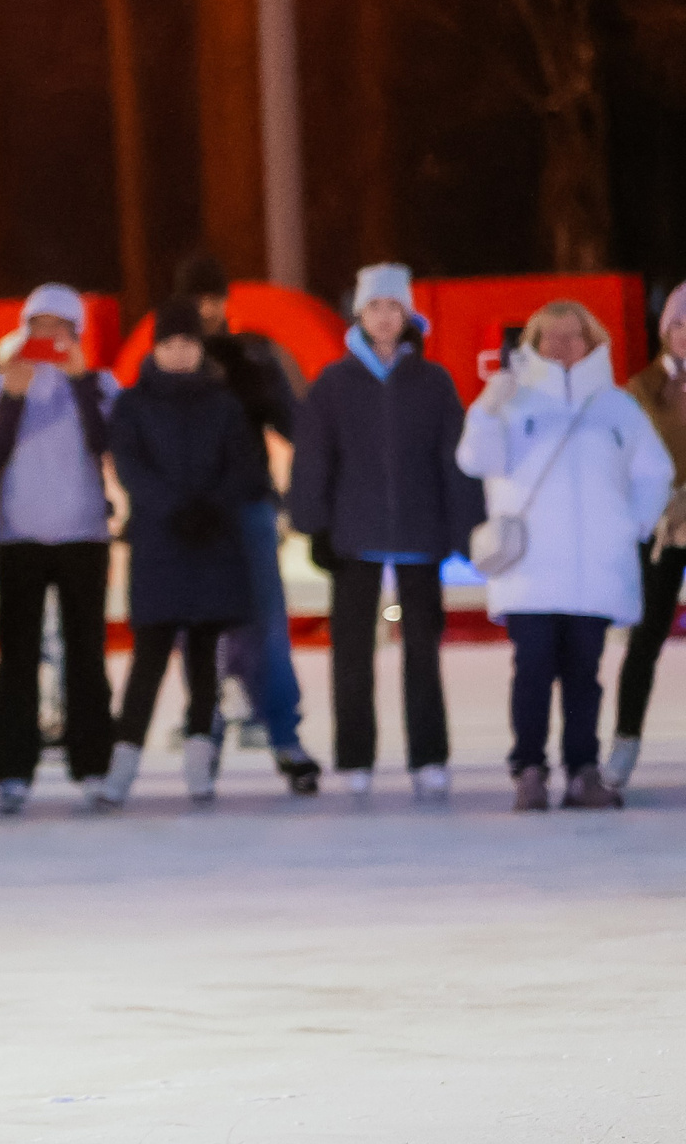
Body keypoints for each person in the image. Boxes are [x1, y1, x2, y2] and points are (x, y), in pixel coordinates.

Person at [458, 300, 674, 810]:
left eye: (571, 335)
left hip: (594, 569)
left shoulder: (617, 407)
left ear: (592, 341)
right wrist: (487, 408)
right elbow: (474, 459)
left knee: (584, 676)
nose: (560, 345)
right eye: (549, 336)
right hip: (530, 567)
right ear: (532, 344)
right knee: (532, 669)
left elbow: (655, 471)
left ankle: (582, 771)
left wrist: (634, 524)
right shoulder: (514, 401)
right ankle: (529, 770)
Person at [286, 264, 486, 801]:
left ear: (407, 315)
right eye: (375, 307)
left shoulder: (434, 382)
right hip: (353, 535)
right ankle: (355, 757)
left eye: (393, 307)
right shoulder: (333, 384)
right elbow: (313, 458)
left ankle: (429, 756)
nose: (384, 317)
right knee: (352, 654)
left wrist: (464, 526)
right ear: (359, 314)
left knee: (422, 651)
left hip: (420, 533)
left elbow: (455, 460)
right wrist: (314, 524)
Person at [100, 297, 268, 808]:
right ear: (155, 348)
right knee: (149, 657)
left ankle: (199, 763)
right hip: (160, 543)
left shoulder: (223, 403)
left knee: (204, 660)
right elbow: (129, 465)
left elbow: (243, 463)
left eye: (188, 343)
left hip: (212, 543)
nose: (179, 353)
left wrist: (213, 507)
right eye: (170, 344)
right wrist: (173, 508)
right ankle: (122, 766)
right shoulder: (133, 404)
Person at [0, 284, 120, 813]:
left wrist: (80, 382)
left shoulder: (100, 383)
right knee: (18, 654)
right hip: (19, 536)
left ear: (77, 332)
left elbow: (109, 443)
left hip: (84, 535)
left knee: (86, 652)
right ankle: (13, 768)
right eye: (39, 325)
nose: (49, 335)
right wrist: (12, 396)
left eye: (60, 326)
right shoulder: (0, 383)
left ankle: (93, 762)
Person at [178, 254, 318, 791]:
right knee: (197, 631)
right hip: (191, 516)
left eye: (213, 298)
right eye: (196, 299)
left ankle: (284, 733)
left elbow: (296, 424)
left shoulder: (250, 357)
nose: (206, 309)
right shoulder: (167, 362)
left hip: (249, 506)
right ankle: (204, 732)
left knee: (266, 624)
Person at [607, 284, 686, 790]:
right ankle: (625, 742)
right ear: (665, 329)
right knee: (646, 639)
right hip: (662, 530)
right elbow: (629, 459)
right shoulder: (641, 386)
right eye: (679, 324)